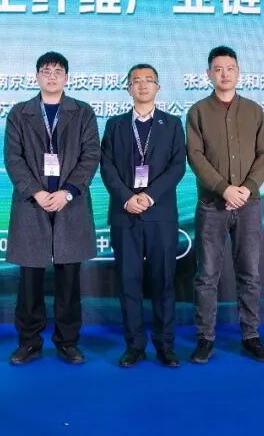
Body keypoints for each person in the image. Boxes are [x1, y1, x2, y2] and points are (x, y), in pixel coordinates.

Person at [4, 52, 100, 365]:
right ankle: (29, 342)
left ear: (67, 78)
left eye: (58, 71)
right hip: (32, 205)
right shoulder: (20, 113)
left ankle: (67, 342)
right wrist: (36, 191)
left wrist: (67, 192)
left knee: (69, 281)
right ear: (37, 77)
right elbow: (13, 158)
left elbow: (91, 156)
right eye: (46, 71)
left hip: (70, 205)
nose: (52, 76)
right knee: (30, 281)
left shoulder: (82, 112)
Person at [186, 46, 264, 364]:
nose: (224, 74)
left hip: (249, 205)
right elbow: (195, 156)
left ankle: (251, 335)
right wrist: (224, 189)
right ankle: (205, 338)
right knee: (207, 275)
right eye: (218, 69)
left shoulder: (253, 110)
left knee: (249, 274)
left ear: (238, 72)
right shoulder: (197, 111)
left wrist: (246, 189)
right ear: (208, 74)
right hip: (212, 205)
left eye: (230, 68)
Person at [100, 63, 186, 368]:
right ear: (128, 88)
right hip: (125, 215)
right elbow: (106, 167)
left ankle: (165, 345)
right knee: (129, 283)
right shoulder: (115, 125)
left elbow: (178, 166)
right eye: (137, 80)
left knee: (163, 282)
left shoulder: (172, 124)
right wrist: (127, 198)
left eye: (149, 80)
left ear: (158, 88)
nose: (143, 84)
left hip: (160, 214)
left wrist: (149, 196)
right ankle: (134, 345)